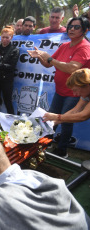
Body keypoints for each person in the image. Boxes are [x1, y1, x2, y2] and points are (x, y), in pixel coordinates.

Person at [28, 17, 90, 158]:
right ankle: (45, 143)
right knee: (50, 119)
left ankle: (62, 151)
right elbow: (48, 64)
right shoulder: (64, 45)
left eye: (76, 27)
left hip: (75, 93)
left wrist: (49, 58)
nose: (72, 29)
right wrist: (39, 56)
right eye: (70, 26)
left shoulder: (85, 47)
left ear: (85, 30)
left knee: (67, 121)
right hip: (60, 91)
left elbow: (72, 68)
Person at [0, 26, 19, 127]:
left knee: (7, 102)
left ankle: (13, 125)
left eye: (7, 37)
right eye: (3, 37)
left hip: (7, 80)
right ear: (0, 37)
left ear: (11, 37)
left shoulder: (15, 50)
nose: (5, 40)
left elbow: (11, 67)